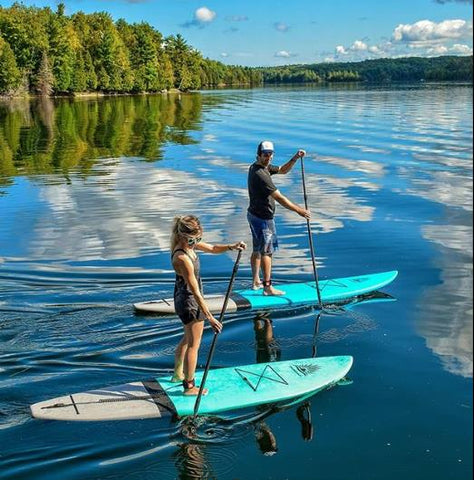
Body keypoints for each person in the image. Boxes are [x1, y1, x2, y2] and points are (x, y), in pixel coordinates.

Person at [170, 215, 246, 395]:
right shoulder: (182, 257)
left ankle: (177, 373)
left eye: (198, 238)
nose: (195, 242)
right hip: (189, 301)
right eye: (192, 239)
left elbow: (212, 248)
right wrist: (210, 317)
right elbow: (195, 291)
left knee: (187, 338)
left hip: (184, 298)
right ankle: (189, 387)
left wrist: (231, 246)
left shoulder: (188, 246)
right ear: (182, 236)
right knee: (194, 345)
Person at [247, 140, 311, 295]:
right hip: (263, 219)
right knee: (267, 252)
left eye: (270, 154)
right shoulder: (261, 174)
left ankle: (256, 282)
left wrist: (295, 158)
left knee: (257, 249)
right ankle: (268, 287)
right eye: (265, 155)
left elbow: (282, 170)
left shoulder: (261, 167)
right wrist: (299, 211)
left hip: (253, 215)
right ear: (258, 155)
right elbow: (279, 197)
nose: (268, 157)